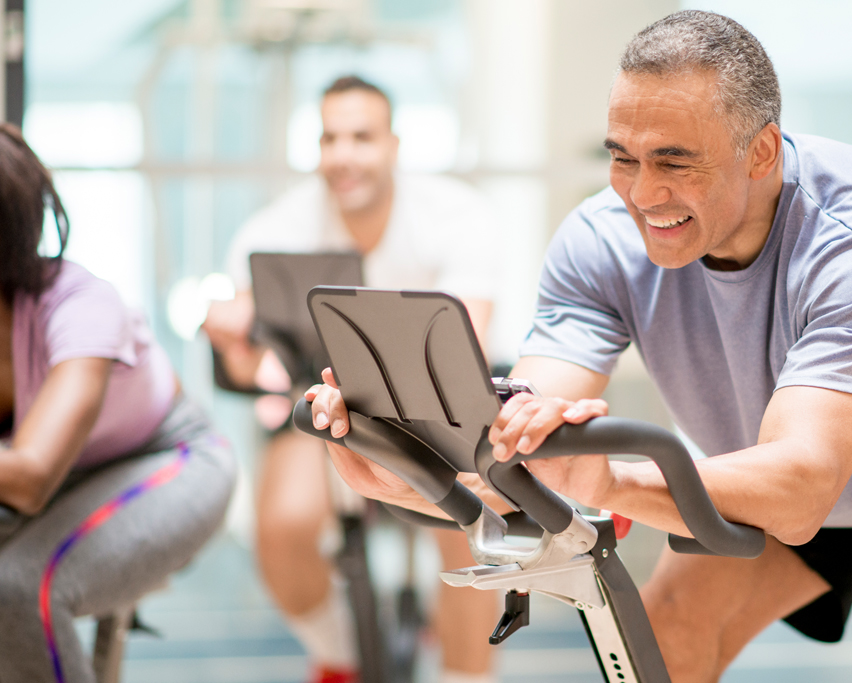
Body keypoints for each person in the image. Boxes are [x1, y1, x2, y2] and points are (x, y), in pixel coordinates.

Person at [305, 12, 852, 682]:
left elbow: (801, 488)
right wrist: (413, 464)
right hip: (795, 470)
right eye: (623, 155)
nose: (642, 193)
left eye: (675, 161)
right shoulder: (601, 241)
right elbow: (529, 435)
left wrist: (609, 479)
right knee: (664, 640)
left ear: (762, 152)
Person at [203, 76, 502, 683]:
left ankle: (465, 674)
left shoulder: (456, 216)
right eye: (329, 138)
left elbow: (468, 337)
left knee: (470, 529)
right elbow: (247, 370)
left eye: (361, 137)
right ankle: (339, 658)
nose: (343, 155)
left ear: (393, 145)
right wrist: (231, 339)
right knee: (282, 527)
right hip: (324, 408)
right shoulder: (271, 231)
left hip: (435, 409)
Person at [0, 123, 237, 682]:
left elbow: (30, 478)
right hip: (67, 476)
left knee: (20, 587)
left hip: (171, 457)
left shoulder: (81, 305)